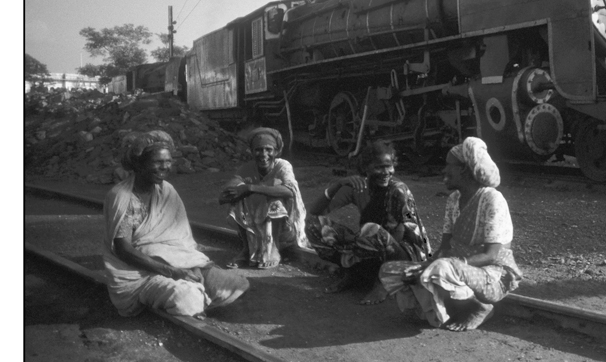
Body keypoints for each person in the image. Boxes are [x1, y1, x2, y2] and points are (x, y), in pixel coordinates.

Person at [378, 137, 522, 331]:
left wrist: (446, 265)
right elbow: (445, 247)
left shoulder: (492, 199)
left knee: (440, 269)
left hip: (491, 276)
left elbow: (490, 255)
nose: (444, 170)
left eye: (448, 165)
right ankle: (446, 306)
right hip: (455, 268)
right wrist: (425, 266)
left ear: (464, 169)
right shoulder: (454, 199)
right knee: (390, 270)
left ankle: (481, 307)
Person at [103, 130, 249, 319]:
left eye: (168, 162)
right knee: (187, 299)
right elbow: (123, 249)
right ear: (139, 164)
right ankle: (188, 294)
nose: (164, 168)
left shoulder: (166, 190)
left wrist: (189, 266)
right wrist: (171, 271)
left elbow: (179, 239)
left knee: (236, 284)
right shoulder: (122, 197)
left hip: (176, 263)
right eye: (157, 162)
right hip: (140, 272)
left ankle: (193, 289)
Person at [306, 139, 430, 305]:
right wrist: (337, 185)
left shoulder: (397, 190)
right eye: (379, 167)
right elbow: (314, 212)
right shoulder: (359, 187)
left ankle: (383, 283)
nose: (386, 172)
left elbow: (411, 235)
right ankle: (352, 274)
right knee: (315, 226)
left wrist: (361, 241)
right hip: (370, 248)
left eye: (389, 166)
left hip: (402, 254)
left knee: (371, 230)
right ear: (366, 168)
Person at [220, 127, 308, 270]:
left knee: (275, 198)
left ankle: (273, 249)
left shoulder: (282, 166)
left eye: (269, 150)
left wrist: (250, 188)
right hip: (257, 227)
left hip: (285, 228)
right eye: (258, 150)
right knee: (238, 199)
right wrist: (235, 187)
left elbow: (290, 191)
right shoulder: (246, 168)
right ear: (252, 151)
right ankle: (246, 249)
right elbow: (224, 196)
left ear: (276, 152)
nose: (264, 154)